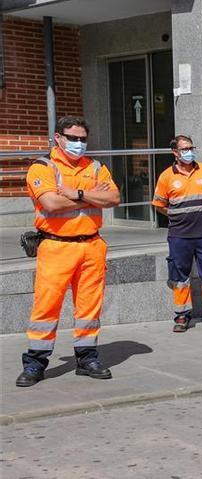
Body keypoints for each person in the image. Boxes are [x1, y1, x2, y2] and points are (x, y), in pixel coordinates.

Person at [16, 116, 121, 387]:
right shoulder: (43, 167)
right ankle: (35, 363)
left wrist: (76, 193)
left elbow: (114, 198)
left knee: (89, 306)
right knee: (46, 306)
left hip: (92, 246)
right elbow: (50, 203)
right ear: (58, 138)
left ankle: (87, 358)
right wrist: (90, 195)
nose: (78, 143)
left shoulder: (95, 166)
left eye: (82, 139)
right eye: (72, 138)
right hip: (56, 245)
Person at [152, 135, 202, 333]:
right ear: (175, 153)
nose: (189, 152)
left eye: (191, 148)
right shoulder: (166, 176)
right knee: (179, 277)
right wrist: (176, 214)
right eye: (184, 149)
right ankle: (182, 316)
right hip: (179, 235)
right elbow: (159, 204)